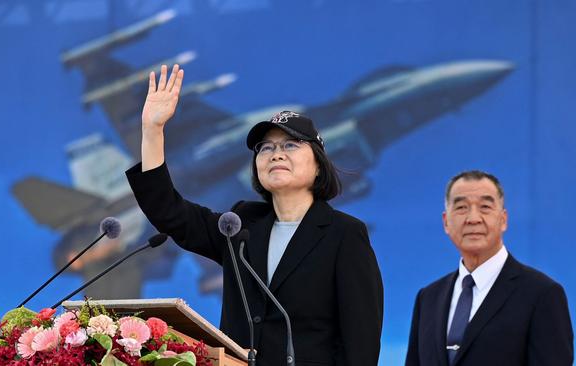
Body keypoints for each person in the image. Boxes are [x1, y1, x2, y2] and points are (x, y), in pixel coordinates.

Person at [125, 64, 383, 365]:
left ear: (318, 166)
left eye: (290, 145)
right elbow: (169, 212)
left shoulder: (344, 233)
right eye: (265, 147)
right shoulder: (240, 224)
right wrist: (153, 131)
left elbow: (361, 340)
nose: (276, 153)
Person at [405, 171, 573, 366]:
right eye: (461, 207)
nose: (473, 218)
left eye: (485, 207)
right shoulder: (428, 298)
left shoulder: (541, 294)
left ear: (503, 219)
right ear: (445, 222)